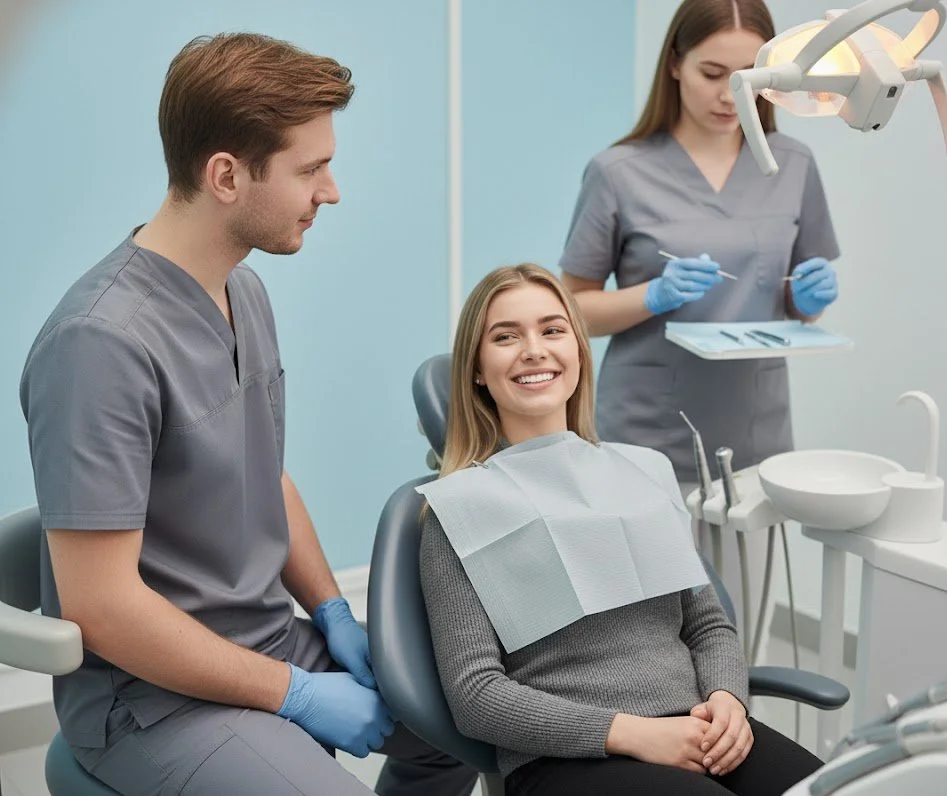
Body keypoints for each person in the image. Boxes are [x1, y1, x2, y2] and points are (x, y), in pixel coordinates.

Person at [20, 32, 476, 796]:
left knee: (465, 729)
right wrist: (294, 693)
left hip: (267, 638)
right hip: (152, 699)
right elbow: (101, 608)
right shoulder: (97, 344)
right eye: (311, 169)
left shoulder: (243, 291)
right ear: (226, 175)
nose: (330, 191)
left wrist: (333, 612)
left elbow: (267, 474)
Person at [418, 263, 824, 796]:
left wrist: (728, 699)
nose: (534, 349)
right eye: (505, 336)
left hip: (698, 724)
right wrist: (630, 734)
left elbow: (707, 624)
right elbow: (477, 695)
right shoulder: (458, 510)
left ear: (579, 353)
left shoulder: (642, 473)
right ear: (476, 369)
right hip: (566, 759)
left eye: (552, 329)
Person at [556, 0, 842, 651]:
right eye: (714, 72)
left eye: (750, 74)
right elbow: (571, 308)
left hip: (754, 435)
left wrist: (810, 294)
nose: (731, 92)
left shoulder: (792, 164)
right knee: (641, 637)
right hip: (649, 433)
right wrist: (651, 295)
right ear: (676, 65)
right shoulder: (618, 172)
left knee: (738, 633)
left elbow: (803, 299)